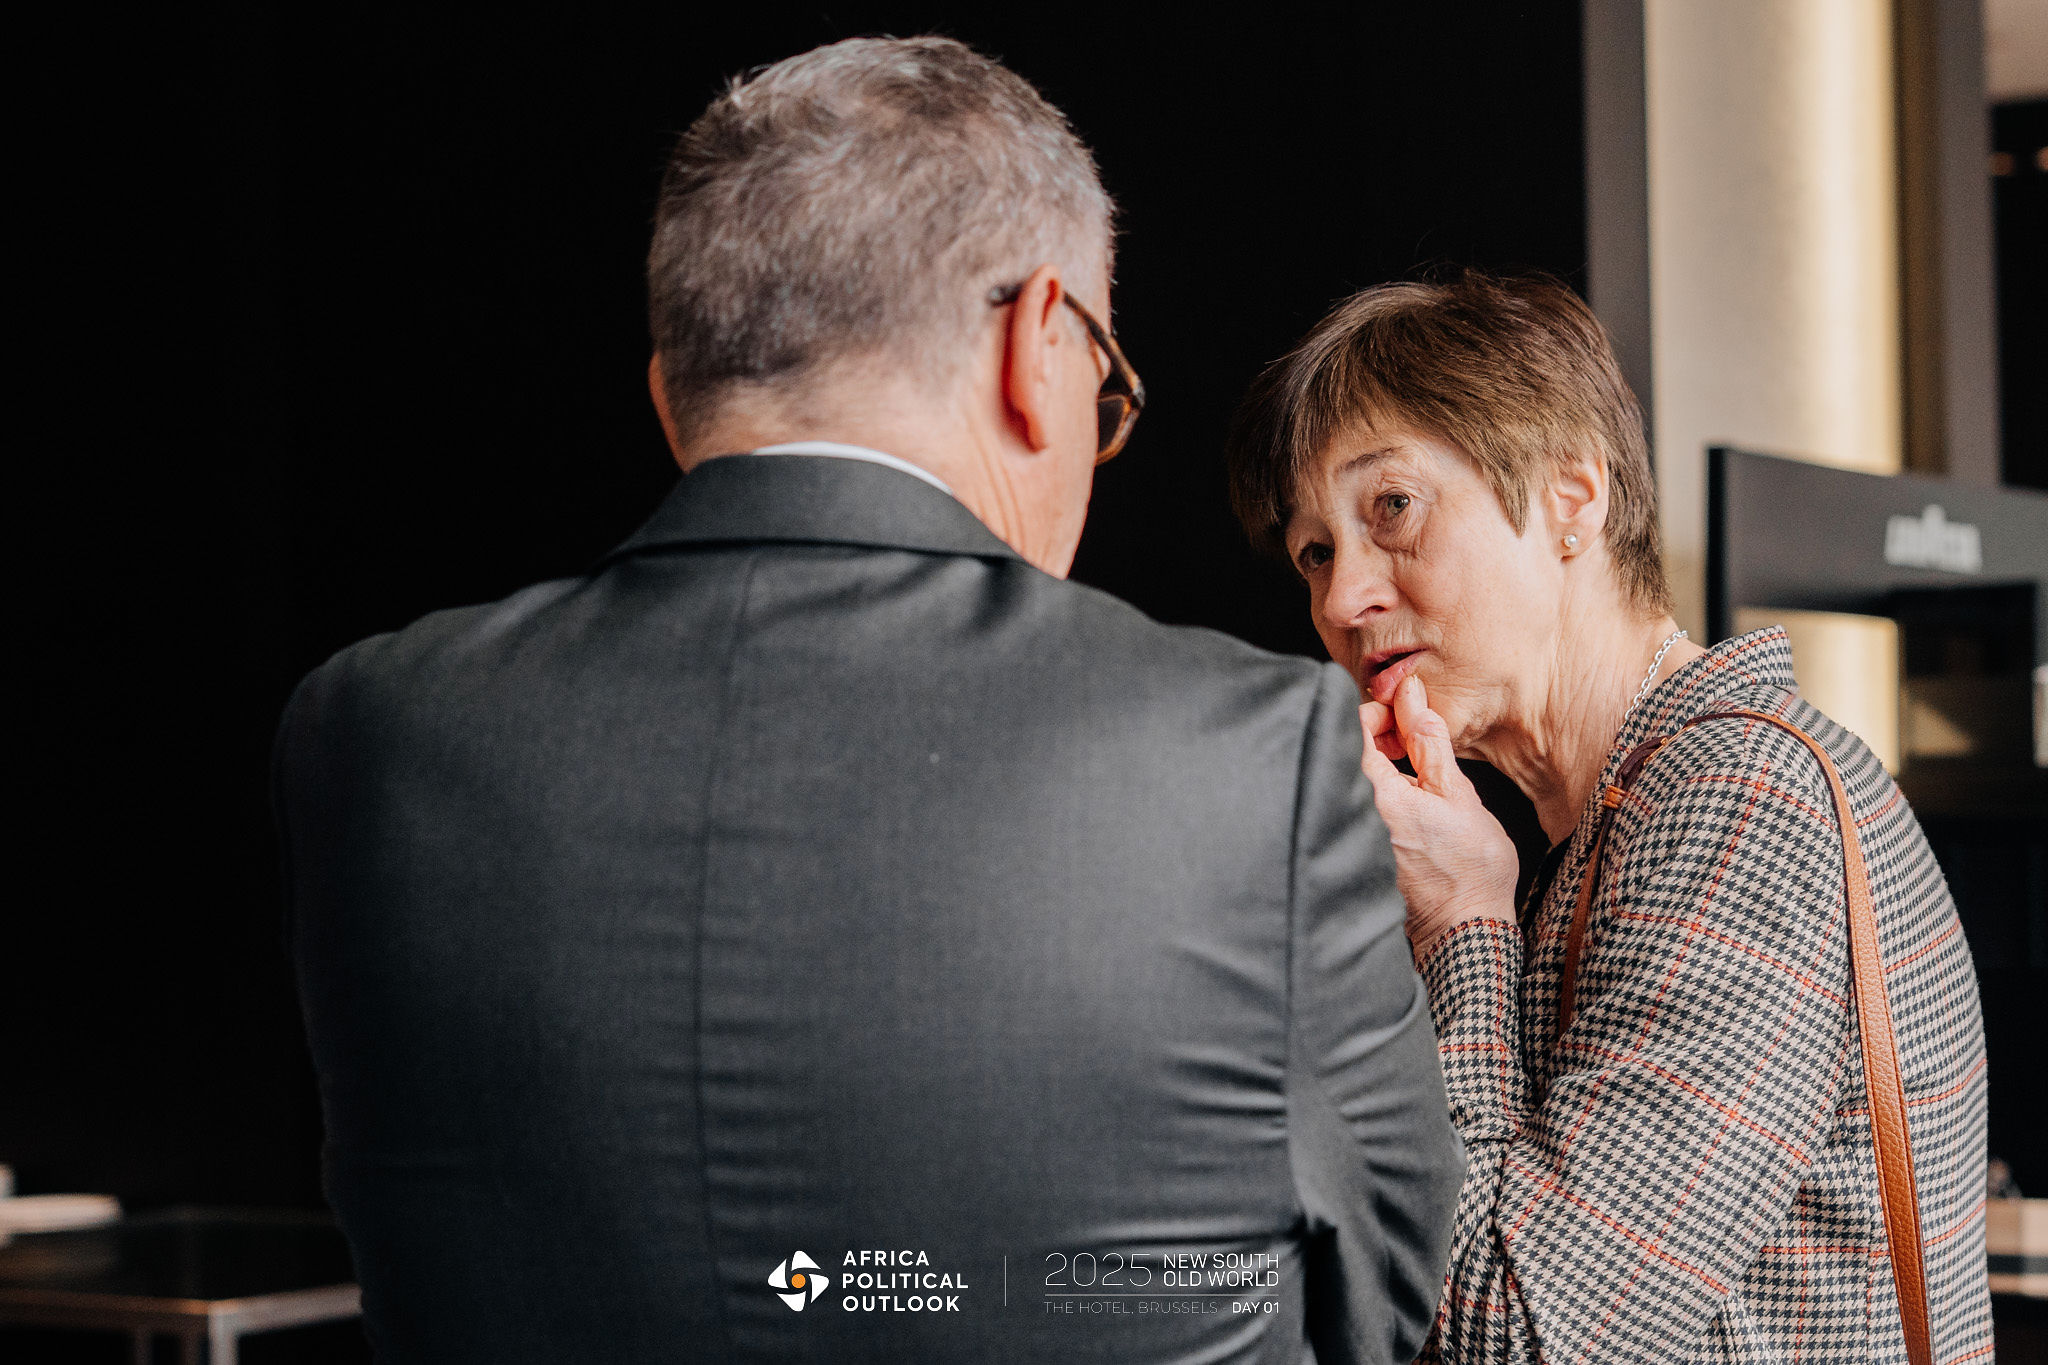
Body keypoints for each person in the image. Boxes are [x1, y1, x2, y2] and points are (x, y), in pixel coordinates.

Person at [274, 36, 1463, 1364]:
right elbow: (1388, 1293)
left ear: (671, 400)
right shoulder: (1254, 750)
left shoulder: (368, 736)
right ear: (1036, 345)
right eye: (1105, 390)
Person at [1226, 272, 1993, 1363]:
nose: (1342, 600)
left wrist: (1460, 924)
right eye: (1315, 552)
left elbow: (1523, 1337)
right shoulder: (1608, 824)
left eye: (1390, 507)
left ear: (1571, 497)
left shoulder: (1740, 802)